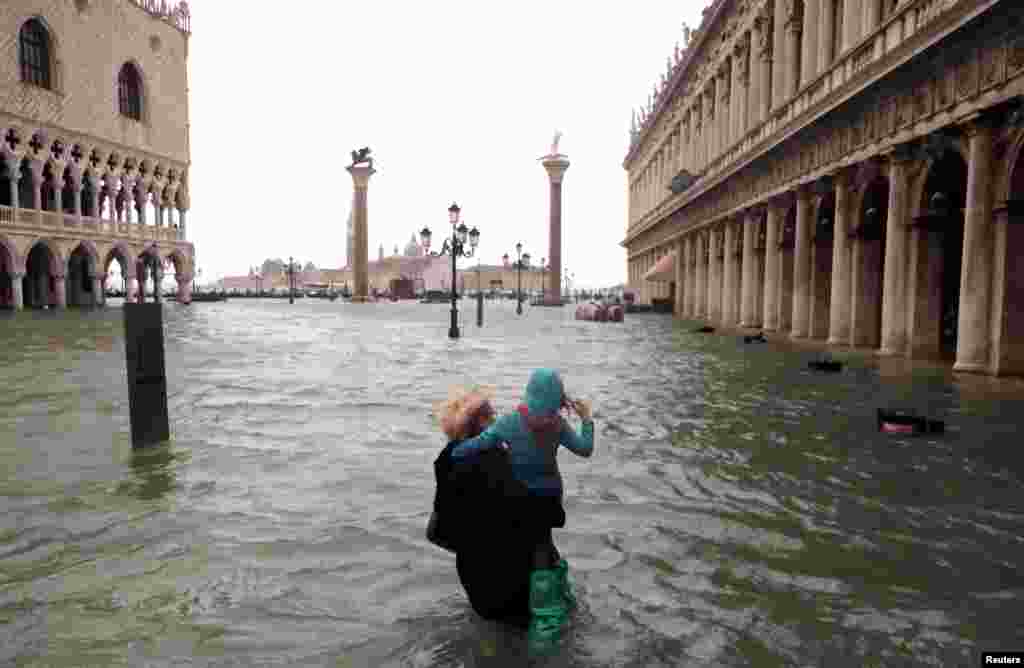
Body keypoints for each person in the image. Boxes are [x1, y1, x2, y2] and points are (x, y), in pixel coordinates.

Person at [450, 368, 594, 643]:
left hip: (521, 498)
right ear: (555, 400)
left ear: (529, 393)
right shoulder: (559, 426)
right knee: (545, 542)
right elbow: (585, 449)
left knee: (537, 548)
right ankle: (561, 597)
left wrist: (454, 451)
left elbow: (477, 445)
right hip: (550, 497)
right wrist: (587, 419)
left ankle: (544, 618)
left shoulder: (509, 422)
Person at [429, 386, 534, 626]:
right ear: (477, 423)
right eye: (491, 415)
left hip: (474, 574)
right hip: (515, 572)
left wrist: (474, 550)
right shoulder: (499, 457)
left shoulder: (446, 459)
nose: (497, 420)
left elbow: (435, 532)